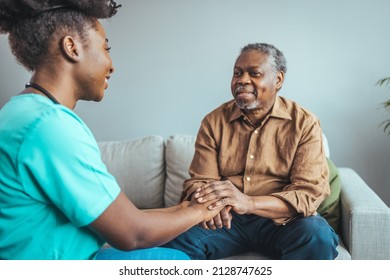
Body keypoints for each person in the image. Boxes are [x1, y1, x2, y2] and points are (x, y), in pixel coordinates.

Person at [0, 0, 227, 260]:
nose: (112, 64)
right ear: (71, 47)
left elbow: (126, 217)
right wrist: (203, 210)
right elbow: (133, 233)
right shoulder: (50, 127)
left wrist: (190, 208)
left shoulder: (21, 112)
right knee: (176, 262)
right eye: (105, 48)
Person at [162, 43, 339, 260]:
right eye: (237, 73)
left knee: (317, 236)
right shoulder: (214, 121)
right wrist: (214, 205)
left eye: (254, 73)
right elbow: (200, 181)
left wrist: (249, 203)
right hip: (227, 220)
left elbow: (307, 194)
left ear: (279, 79)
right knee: (171, 239)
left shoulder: (304, 123)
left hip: (282, 222)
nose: (242, 80)